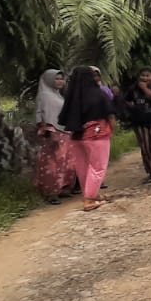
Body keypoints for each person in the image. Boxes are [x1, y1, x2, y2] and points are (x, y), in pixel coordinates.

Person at [60, 66, 116, 211]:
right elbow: (110, 115)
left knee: (83, 167)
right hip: (97, 134)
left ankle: (91, 194)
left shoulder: (71, 97)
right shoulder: (99, 94)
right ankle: (89, 199)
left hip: (77, 136)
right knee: (98, 167)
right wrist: (112, 129)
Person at [33, 69, 73, 204]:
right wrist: (48, 130)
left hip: (64, 132)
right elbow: (40, 114)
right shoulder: (45, 95)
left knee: (64, 161)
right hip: (53, 133)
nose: (60, 81)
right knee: (52, 163)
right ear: (49, 80)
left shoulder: (57, 95)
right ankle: (51, 192)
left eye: (61, 78)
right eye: (56, 78)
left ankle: (61, 188)